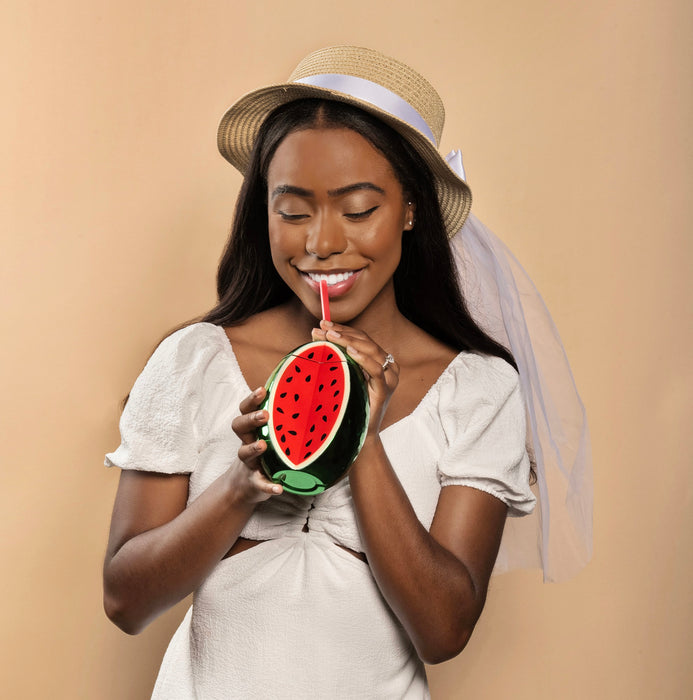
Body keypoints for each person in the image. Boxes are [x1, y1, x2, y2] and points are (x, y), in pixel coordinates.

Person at [103, 46, 591, 699]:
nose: (320, 243)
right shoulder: (194, 360)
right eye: (292, 210)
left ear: (410, 210)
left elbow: (443, 631)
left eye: (358, 209)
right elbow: (125, 601)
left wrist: (358, 436)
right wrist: (240, 487)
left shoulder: (478, 389)